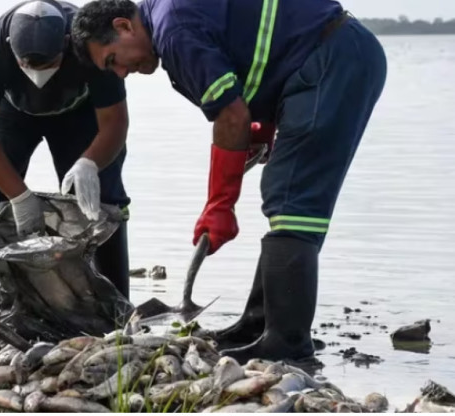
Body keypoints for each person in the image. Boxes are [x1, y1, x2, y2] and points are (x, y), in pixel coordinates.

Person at [71, 0, 386, 365]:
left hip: (333, 59)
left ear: (124, 26)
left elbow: (231, 116)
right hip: (324, 58)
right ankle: (258, 325)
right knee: (286, 196)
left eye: (113, 60)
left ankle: (288, 343)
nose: (122, 73)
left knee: (291, 200)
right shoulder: (165, 16)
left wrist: (220, 204)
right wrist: (263, 127)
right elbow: (252, 54)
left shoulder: (173, 32)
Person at [0, 0, 133, 328]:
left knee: (102, 193)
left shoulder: (89, 40)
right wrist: (19, 196)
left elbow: (115, 123)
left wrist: (90, 162)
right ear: (10, 50)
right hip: (13, 113)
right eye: (26, 64)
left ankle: (117, 304)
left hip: (80, 114)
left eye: (48, 64)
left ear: (66, 44)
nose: (37, 73)